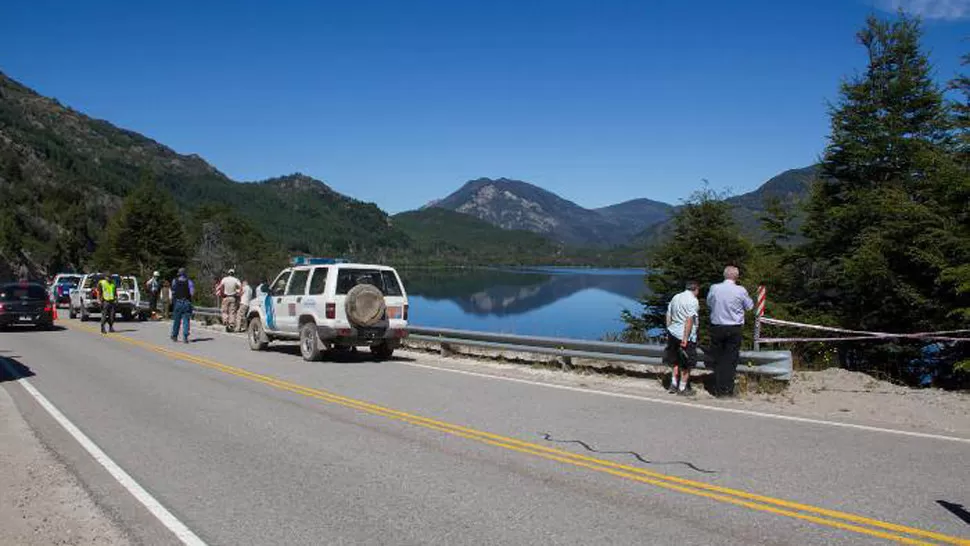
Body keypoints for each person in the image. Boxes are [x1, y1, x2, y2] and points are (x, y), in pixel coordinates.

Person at [706, 265, 754, 397]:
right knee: (731, 359)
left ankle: (718, 387)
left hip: (717, 326)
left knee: (718, 358)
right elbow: (749, 306)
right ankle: (727, 389)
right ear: (736, 277)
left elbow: (709, 303)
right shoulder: (740, 290)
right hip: (734, 328)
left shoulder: (714, 288)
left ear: (724, 275)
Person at [665, 280, 700, 396]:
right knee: (687, 363)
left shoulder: (676, 297)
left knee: (675, 360)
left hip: (673, 333)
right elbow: (689, 320)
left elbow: (668, 314)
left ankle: (673, 384)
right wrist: (685, 338)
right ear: (695, 289)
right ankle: (683, 388)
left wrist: (669, 329)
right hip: (685, 335)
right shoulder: (693, 301)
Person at [170, 268, 195, 343]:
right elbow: (192, 293)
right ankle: (185, 336)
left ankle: (174, 336)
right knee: (186, 320)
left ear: (179, 274)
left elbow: (173, 291)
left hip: (178, 302)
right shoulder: (189, 282)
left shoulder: (175, 281)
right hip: (186, 302)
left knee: (177, 320)